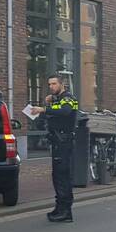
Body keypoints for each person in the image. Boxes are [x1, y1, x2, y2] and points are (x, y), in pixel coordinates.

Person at [30, 74, 78, 222]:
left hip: (63, 142)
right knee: (57, 176)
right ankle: (59, 207)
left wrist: (44, 109)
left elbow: (65, 111)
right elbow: (51, 115)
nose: (51, 87)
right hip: (57, 142)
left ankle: (66, 212)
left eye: (54, 84)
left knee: (62, 176)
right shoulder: (57, 100)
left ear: (61, 84)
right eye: (49, 84)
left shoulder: (69, 98)